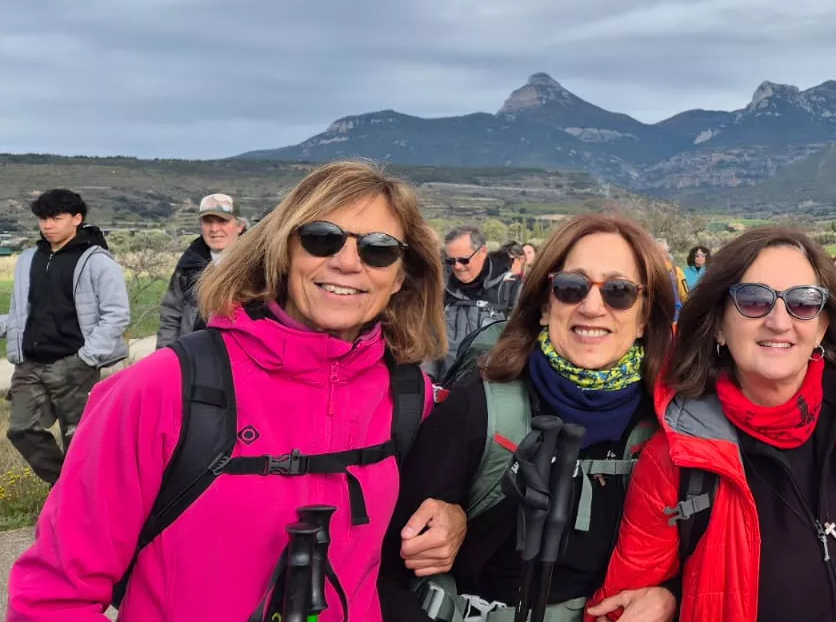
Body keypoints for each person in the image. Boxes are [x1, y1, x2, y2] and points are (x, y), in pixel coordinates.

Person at [9, 160, 448, 621]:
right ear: (283, 251)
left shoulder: (406, 395)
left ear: (401, 275)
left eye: (379, 249)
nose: (346, 262)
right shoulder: (165, 387)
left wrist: (454, 517)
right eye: (322, 238)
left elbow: (468, 495)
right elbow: (54, 595)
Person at [591, 227, 836, 621]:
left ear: (822, 326)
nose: (778, 321)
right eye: (753, 300)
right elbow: (620, 608)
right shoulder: (674, 460)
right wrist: (674, 598)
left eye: (803, 303)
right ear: (718, 325)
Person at [380, 214, 679, 622]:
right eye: (571, 288)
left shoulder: (670, 426)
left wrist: (670, 596)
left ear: (645, 317)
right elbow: (388, 564)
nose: (592, 307)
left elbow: (711, 556)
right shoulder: (480, 408)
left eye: (619, 292)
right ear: (543, 304)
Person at [3, 188, 129, 485]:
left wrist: (86, 358)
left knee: (79, 440)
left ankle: (81, 506)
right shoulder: (28, 259)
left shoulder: (97, 261)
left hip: (76, 364)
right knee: (21, 429)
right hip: (30, 363)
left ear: (77, 218)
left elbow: (117, 314)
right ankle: (66, 487)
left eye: (56, 218)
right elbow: (22, 314)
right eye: (43, 219)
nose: (48, 225)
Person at [157, 193, 248, 348]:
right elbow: (171, 316)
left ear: (240, 226)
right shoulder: (188, 264)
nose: (214, 229)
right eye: (208, 221)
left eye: (222, 221)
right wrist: (164, 357)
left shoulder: (256, 264)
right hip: (194, 356)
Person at [441, 226, 522, 374]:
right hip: (448, 385)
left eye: (464, 260)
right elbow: (430, 347)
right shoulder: (442, 290)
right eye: (451, 261)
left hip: (493, 385)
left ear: (483, 251)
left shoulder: (511, 289)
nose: (457, 267)